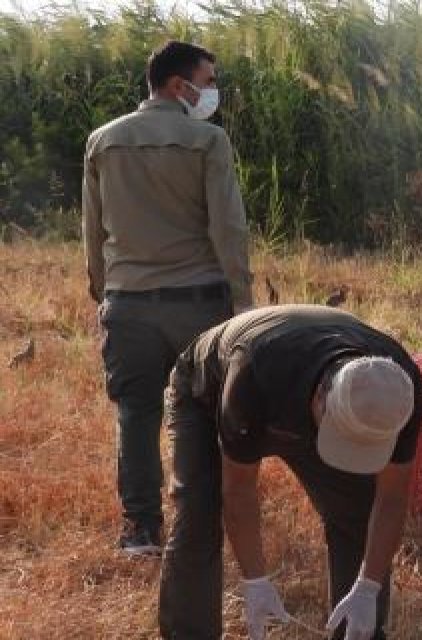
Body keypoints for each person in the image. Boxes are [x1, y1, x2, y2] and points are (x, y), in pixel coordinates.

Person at [157, 305, 422, 640]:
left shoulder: (398, 390)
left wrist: (369, 586)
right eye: (344, 438)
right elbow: (238, 490)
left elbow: (392, 496)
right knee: (197, 514)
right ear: (320, 400)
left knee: (358, 514)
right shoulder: (253, 376)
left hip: (299, 387)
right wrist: (255, 582)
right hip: (207, 393)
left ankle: (359, 633)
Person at [82, 39, 252, 555]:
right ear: (180, 86)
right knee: (198, 414)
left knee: (136, 415)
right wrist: (243, 305)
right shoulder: (208, 142)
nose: (212, 92)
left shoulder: (102, 141)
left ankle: (140, 530)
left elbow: (93, 229)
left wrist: (102, 290)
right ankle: (197, 522)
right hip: (199, 304)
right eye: (208, 81)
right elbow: (228, 229)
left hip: (128, 300)